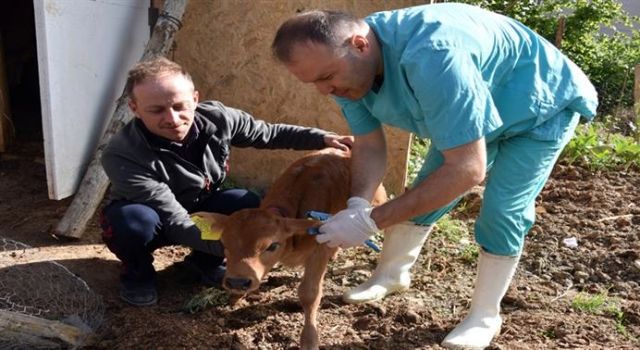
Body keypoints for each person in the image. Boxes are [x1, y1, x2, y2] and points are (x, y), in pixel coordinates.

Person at [272, 3, 597, 349]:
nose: (324, 90)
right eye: (313, 83)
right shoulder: (346, 72)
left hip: (537, 107)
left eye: (325, 77)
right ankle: (391, 274)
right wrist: (357, 204)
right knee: (425, 190)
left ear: (360, 45)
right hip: (471, 108)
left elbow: (467, 169)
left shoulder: (433, 58)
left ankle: (485, 316)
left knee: (503, 210)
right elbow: (367, 143)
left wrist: (372, 222)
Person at [100, 57, 353, 307]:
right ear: (134, 108)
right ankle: (137, 276)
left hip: (201, 205)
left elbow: (267, 133)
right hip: (154, 217)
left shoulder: (218, 118)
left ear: (196, 99)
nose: (173, 119)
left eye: (180, 106)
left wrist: (323, 139)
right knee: (132, 223)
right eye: (156, 110)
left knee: (245, 202)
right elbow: (173, 219)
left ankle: (202, 265)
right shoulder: (121, 153)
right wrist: (240, 252)